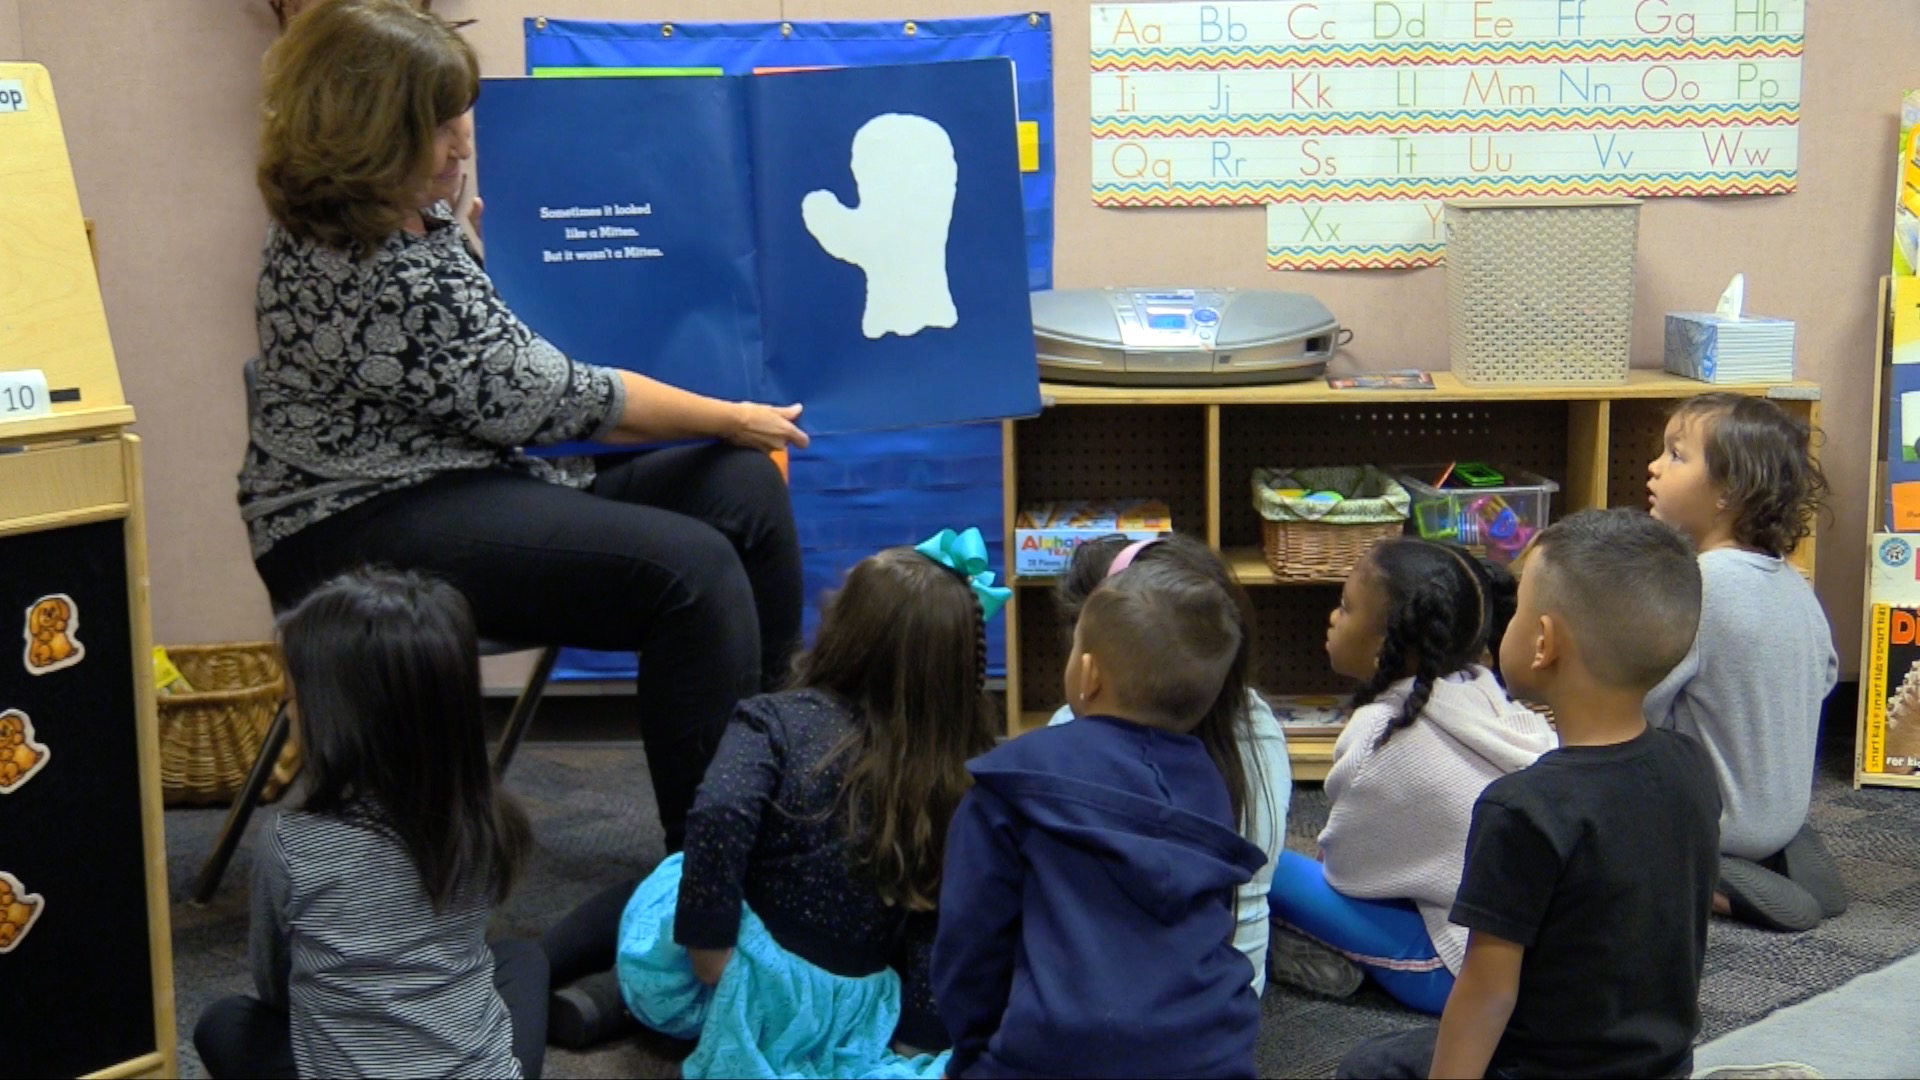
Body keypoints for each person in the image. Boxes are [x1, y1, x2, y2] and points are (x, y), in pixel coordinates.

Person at [241, 0, 806, 858]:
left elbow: (487, 381)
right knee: (689, 571)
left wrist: (477, 254)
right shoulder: (362, 261)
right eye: (439, 127)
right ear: (371, 134)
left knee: (743, 492)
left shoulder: (401, 218)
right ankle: (708, 869)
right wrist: (730, 415)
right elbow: (563, 400)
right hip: (350, 517)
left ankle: (763, 797)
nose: (462, 145)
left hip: (460, 471)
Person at [553, 535, 1000, 1072]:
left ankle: (585, 984)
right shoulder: (956, 777)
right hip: (842, 1012)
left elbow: (719, 813)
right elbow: (939, 919)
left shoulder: (774, 719)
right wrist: (917, 1039)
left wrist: (709, 945)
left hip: (732, 982)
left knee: (673, 876)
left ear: (846, 629)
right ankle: (606, 999)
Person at [1338, 509, 1720, 1080]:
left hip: (1540, 1070)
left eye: (1516, 611)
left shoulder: (1522, 808)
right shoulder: (1692, 764)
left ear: (1543, 643)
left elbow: (1486, 993)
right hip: (1661, 1066)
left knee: (1369, 1067)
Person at [192, 569, 548, 1079]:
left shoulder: (290, 844)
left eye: (294, 701)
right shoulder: (488, 820)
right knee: (519, 960)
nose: (290, 715)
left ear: (341, 722)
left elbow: (276, 986)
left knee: (224, 1021)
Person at [935, 560, 1267, 1079]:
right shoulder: (1210, 782)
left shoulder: (1011, 781)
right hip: (1212, 1054)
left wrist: (976, 1056)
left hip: (1052, 1054)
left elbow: (970, 948)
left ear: (1087, 675)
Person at [1268, 539, 1555, 1014]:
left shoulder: (1381, 733)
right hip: (1539, 955)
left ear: (1387, 644)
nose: (1334, 618)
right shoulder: (1485, 690)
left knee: (1265, 865)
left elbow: (1346, 872)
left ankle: (1322, 954)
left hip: (1461, 972)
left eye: (1345, 608)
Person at [1047, 533, 1290, 993]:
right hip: (1233, 1008)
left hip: (1109, 1021)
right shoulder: (1259, 723)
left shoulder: (1066, 740)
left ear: (1092, 665)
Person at [1645, 393, 1846, 931]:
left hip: (1714, 823)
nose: (1654, 467)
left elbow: (1643, 705)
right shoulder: (1793, 584)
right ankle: (1776, 848)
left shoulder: (1699, 586)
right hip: (1785, 809)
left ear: (1728, 492)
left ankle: (1710, 873)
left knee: (1612, 801)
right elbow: (1826, 676)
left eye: (1676, 456)